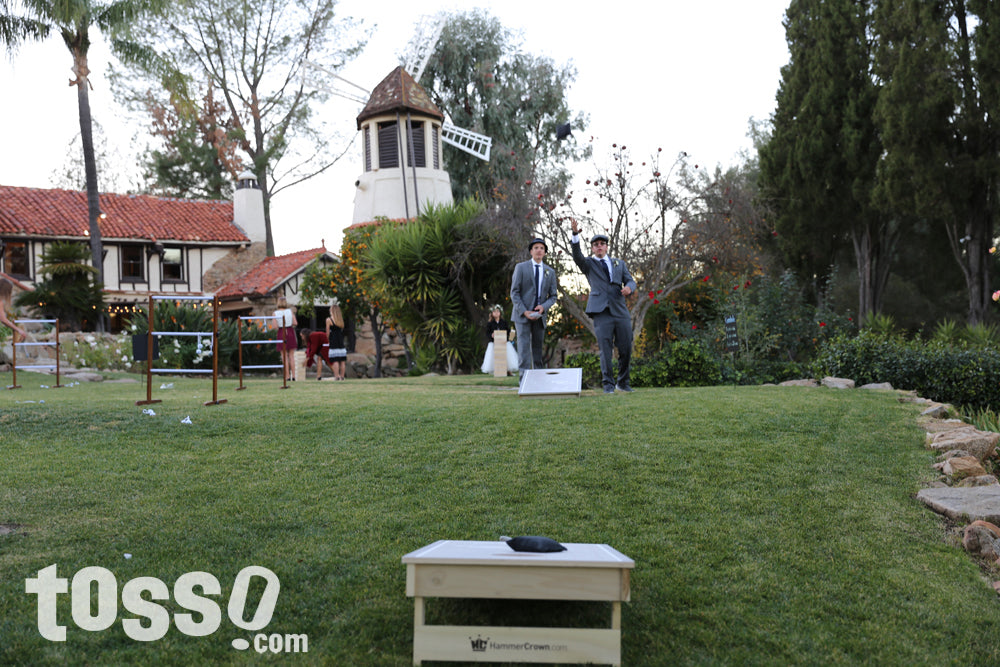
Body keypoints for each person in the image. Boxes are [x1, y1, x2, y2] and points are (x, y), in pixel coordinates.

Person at [570, 219, 637, 393]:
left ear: (606, 247)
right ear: (592, 248)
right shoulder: (589, 264)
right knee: (605, 349)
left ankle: (623, 383)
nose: (599, 247)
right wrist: (575, 235)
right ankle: (608, 385)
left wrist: (629, 287)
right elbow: (577, 256)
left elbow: (630, 279)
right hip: (600, 311)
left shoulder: (619, 263)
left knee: (626, 347)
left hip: (620, 309)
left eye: (602, 244)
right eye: (596, 245)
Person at [510, 237, 558, 376]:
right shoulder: (521, 267)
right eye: (536, 248)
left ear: (544, 252)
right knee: (524, 350)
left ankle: (538, 381)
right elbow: (514, 292)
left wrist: (543, 307)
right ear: (531, 251)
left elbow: (553, 296)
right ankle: (524, 382)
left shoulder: (550, 272)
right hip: (522, 315)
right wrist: (524, 311)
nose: (539, 250)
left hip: (540, 316)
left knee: (538, 350)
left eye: (542, 248)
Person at [480, 305, 519, 374]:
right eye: (494, 312)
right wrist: (491, 335)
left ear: (500, 313)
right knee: (493, 357)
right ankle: (497, 370)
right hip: (494, 343)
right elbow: (487, 333)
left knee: (507, 356)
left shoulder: (504, 322)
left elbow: (509, 331)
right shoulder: (490, 323)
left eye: (498, 311)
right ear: (492, 313)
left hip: (504, 342)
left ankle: (508, 370)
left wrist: (512, 337)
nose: (496, 313)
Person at [273, 296, 298, 381]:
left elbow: (275, 326)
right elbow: (295, 323)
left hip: (281, 332)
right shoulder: (290, 311)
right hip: (290, 331)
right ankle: (294, 376)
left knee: (284, 356)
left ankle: (287, 376)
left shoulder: (275, 313)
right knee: (291, 356)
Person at [325, 299, 348, 381]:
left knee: (335, 359)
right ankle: (342, 376)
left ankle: (337, 376)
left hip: (333, 340)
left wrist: (327, 340)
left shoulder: (329, 320)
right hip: (340, 341)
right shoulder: (340, 320)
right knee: (342, 360)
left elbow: (327, 333)